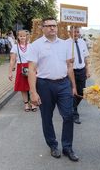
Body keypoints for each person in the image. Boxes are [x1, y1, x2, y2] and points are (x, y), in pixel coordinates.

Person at [28, 17, 79, 162]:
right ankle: (53, 145)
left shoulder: (65, 45)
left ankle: (67, 147)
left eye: (54, 26)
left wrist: (73, 86)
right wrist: (33, 92)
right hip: (44, 85)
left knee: (68, 115)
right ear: (42, 28)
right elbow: (31, 70)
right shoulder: (36, 45)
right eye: (49, 26)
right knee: (46, 117)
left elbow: (69, 67)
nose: (52, 28)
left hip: (63, 84)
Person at [8, 30, 35, 112]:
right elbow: (12, 60)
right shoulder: (15, 47)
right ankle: (26, 104)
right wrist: (10, 72)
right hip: (21, 67)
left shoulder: (31, 46)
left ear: (27, 37)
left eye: (24, 36)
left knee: (32, 85)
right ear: (18, 37)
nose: (22, 37)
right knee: (23, 87)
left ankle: (33, 103)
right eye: (21, 36)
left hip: (31, 66)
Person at [67, 26, 90, 124]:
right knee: (73, 92)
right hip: (71, 71)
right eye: (74, 32)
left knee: (82, 92)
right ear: (70, 32)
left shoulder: (82, 42)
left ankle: (72, 107)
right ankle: (74, 113)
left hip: (81, 70)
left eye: (77, 32)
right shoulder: (66, 44)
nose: (76, 34)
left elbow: (85, 57)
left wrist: (87, 70)